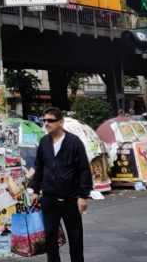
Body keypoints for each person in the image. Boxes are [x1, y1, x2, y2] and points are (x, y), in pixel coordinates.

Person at [30, 107, 92, 262]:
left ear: (60, 122)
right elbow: (39, 167)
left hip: (70, 198)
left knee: (75, 237)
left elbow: (84, 169)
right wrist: (35, 190)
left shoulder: (73, 142)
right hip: (49, 199)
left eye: (50, 120)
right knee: (50, 239)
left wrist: (83, 196)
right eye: (44, 120)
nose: (46, 123)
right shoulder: (44, 142)